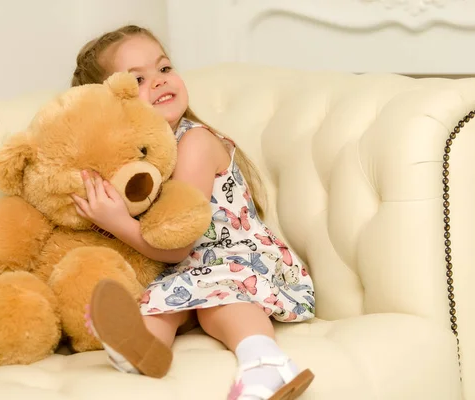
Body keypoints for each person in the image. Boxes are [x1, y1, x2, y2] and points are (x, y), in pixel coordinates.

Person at [69, 25, 316, 400]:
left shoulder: (194, 142)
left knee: (222, 299)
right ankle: (140, 350)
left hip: (241, 262)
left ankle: (266, 363)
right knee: (159, 303)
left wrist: (116, 222)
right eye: (137, 79)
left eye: (164, 69)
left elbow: (177, 244)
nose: (158, 81)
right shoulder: (135, 158)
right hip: (181, 271)